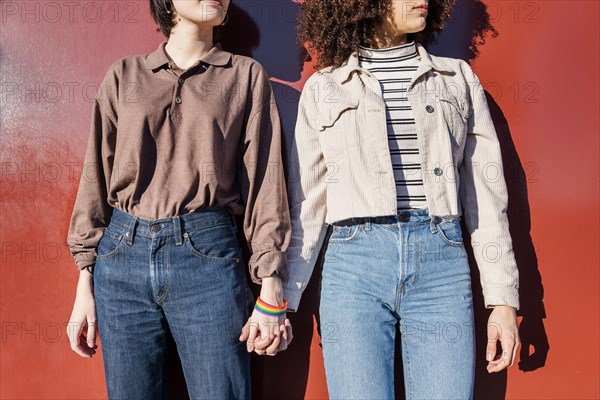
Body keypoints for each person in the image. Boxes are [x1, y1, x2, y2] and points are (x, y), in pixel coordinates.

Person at [283, 0, 520, 398]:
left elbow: (485, 193)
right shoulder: (324, 87)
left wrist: (502, 300)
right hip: (353, 264)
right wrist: (283, 298)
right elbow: (307, 201)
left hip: (440, 262)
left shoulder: (456, 78)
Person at [65, 0, 292, 398]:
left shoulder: (244, 76)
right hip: (121, 259)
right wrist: (85, 282)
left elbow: (265, 182)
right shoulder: (124, 74)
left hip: (208, 256)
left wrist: (270, 285)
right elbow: (95, 176)